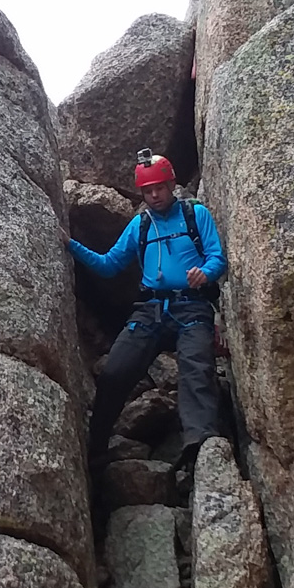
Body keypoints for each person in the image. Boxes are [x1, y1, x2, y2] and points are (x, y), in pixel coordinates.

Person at [68, 150, 229, 471]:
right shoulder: (140, 226)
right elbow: (109, 264)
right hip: (151, 309)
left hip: (192, 306)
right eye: (148, 190)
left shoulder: (196, 215)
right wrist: (70, 244)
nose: (155, 195)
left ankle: (199, 448)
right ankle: (94, 446)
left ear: (171, 185)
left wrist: (205, 273)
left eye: (160, 188)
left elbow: (217, 257)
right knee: (115, 371)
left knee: (197, 370)